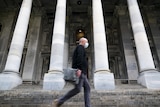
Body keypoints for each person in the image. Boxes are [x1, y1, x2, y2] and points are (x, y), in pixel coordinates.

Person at [53, 37, 91, 107]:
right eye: (86, 42)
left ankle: (88, 105)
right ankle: (59, 101)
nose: (87, 43)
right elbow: (80, 58)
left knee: (87, 88)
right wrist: (79, 69)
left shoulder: (80, 48)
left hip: (83, 73)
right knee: (78, 89)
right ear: (82, 42)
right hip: (80, 72)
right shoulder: (80, 48)